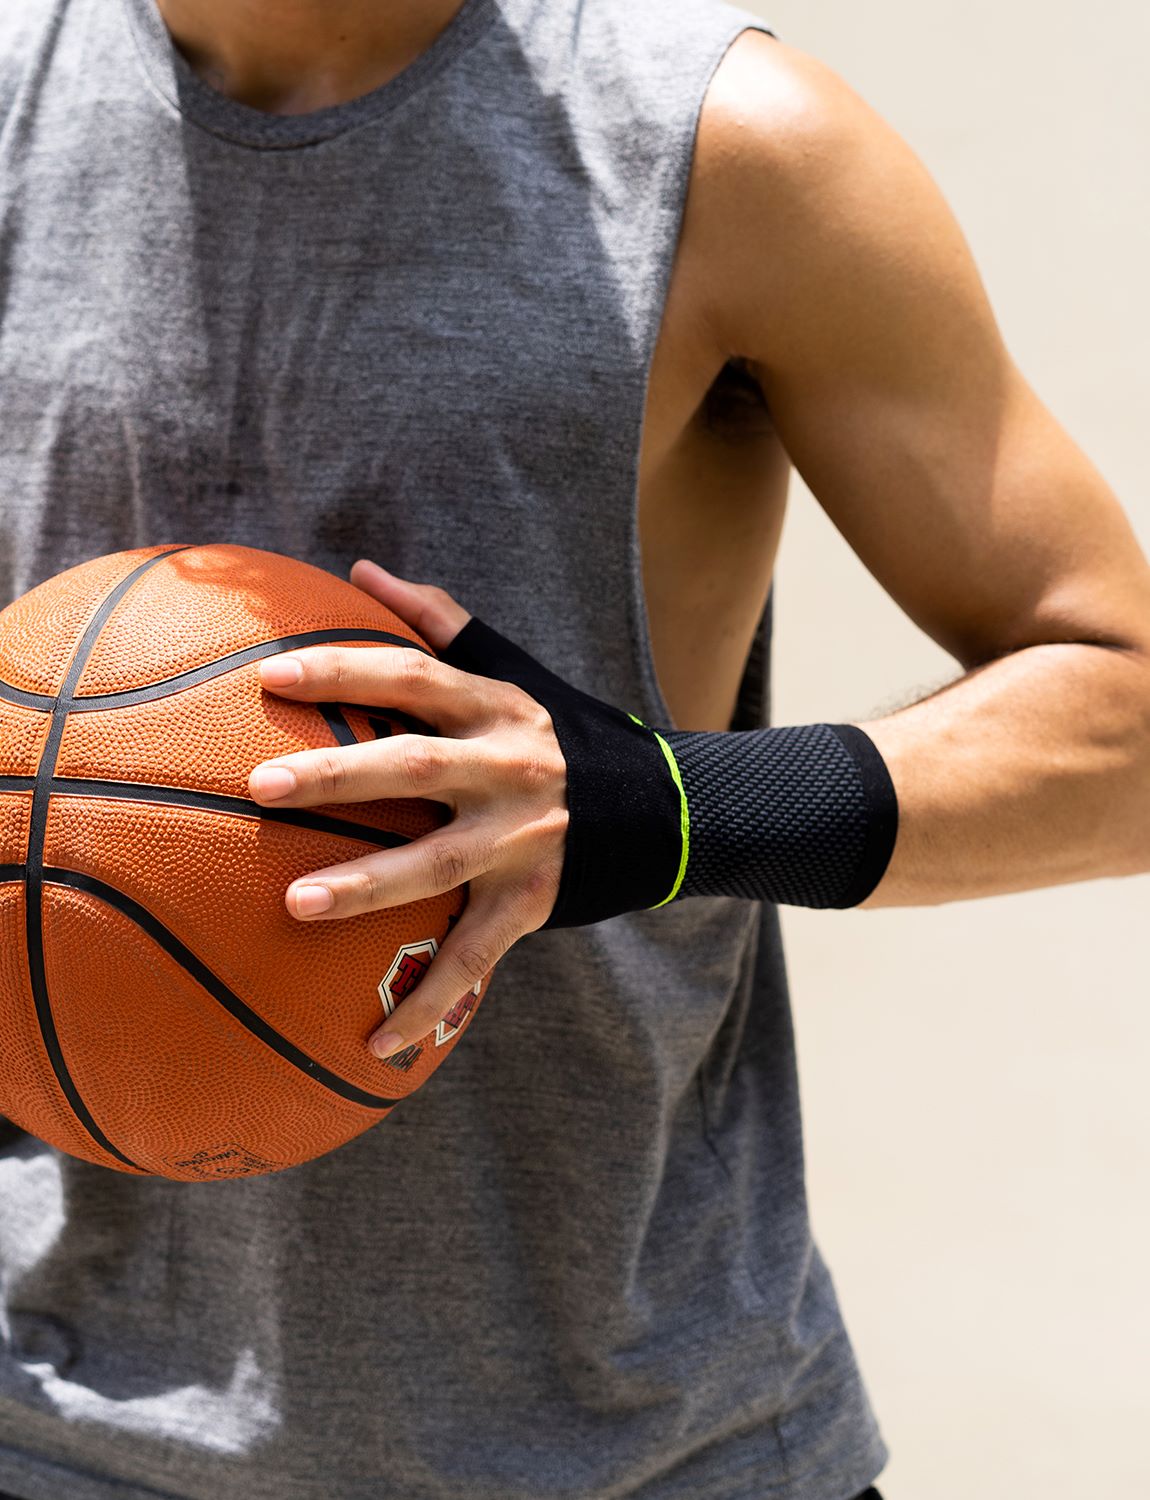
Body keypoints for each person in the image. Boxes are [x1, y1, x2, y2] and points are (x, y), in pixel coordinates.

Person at [1, 1, 1148, 1498]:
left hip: (638, 1447)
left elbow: (1123, 718)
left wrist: (662, 809)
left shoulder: (734, 149)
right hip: (55, 1425)